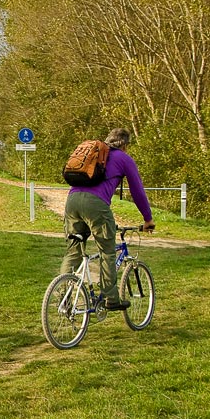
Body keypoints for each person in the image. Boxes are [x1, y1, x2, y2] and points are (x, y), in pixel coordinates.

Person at [61, 128, 156, 310]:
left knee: (73, 252)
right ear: (125, 144)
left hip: (72, 201)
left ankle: (63, 296)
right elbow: (137, 191)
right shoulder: (123, 158)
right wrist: (148, 219)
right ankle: (111, 300)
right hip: (96, 205)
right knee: (107, 251)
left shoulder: (95, 154)